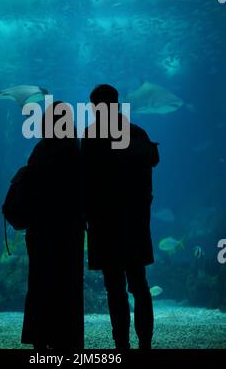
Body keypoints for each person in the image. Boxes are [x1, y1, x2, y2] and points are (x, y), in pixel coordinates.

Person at [81, 84, 159, 350]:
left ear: (95, 107)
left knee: (114, 288)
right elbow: (151, 167)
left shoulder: (91, 137)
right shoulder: (137, 133)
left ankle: (122, 345)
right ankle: (145, 344)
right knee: (139, 285)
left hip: (104, 225)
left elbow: (85, 182)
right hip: (135, 223)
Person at [22, 102, 85, 350]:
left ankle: (40, 341)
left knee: (39, 284)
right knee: (69, 287)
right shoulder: (76, 150)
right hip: (69, 230)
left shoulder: (40, 149)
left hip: (40, 230)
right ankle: (68, 343)